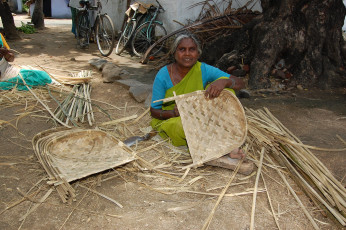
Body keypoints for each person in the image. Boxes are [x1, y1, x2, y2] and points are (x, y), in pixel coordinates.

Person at [150, 33, 252, 173]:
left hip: (201, 117)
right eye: (182, 49)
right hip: (172, 120)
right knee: (184, 125)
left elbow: (240, 83)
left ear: (198, 53)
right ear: (174, 53)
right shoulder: (163, 75)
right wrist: (172, 113)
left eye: (192, 49)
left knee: (228, 92)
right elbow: (154, 111)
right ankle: (224, 150)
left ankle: (221, 146)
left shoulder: (203, 69)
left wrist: (224, 81)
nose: (187, 54)